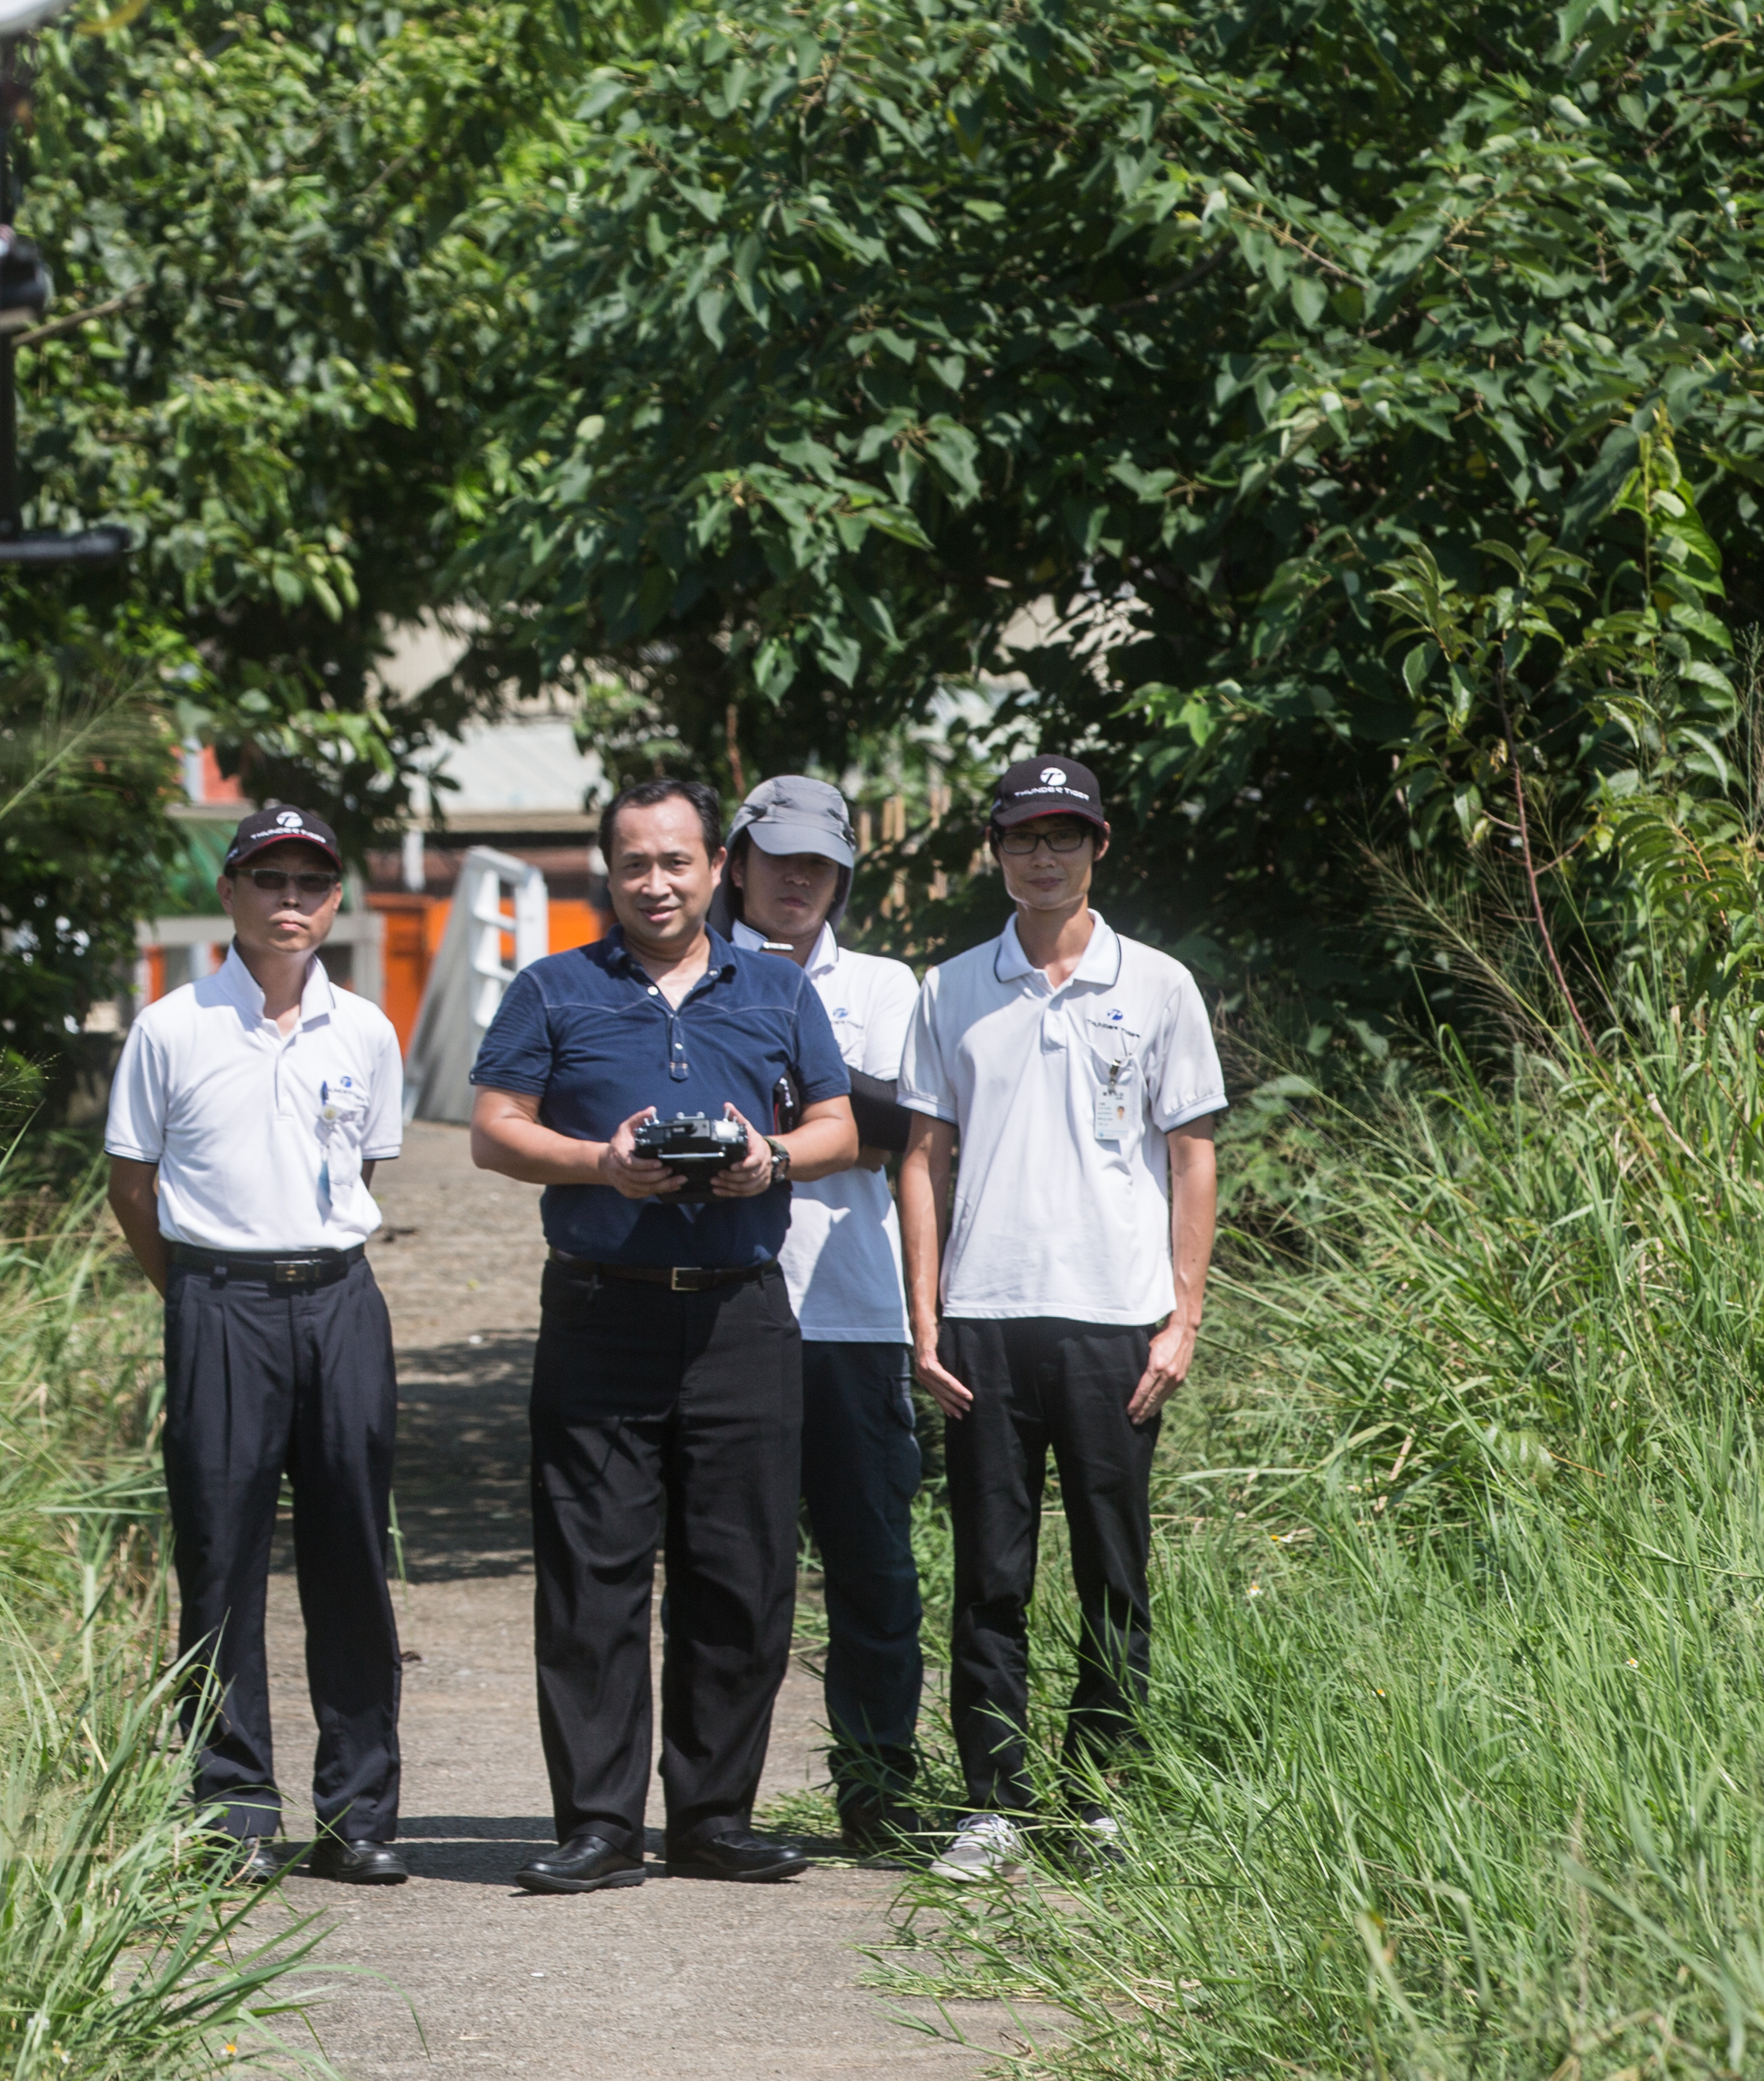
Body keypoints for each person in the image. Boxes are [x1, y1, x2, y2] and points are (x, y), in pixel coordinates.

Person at [467, 775, 858, 1894]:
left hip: (741, 1311)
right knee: (591, 1572)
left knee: (740, 1569)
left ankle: (713, 1819)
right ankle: (598, 1824)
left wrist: (768, 1159)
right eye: (634, 863)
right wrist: (601, 1163)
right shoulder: (553, 988)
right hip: (602, 1308)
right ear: (609, 872)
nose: (656, 883)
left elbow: (836, 1127)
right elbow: (495, 1129)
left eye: (677, 861)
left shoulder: (778, 988)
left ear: (717, 867)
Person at [894, 754, 1226, 1885]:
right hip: (984, 1320)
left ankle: (1095, 1799)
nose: (1045, 856)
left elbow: (1192, 1156)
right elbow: (922, 1157)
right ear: (995, 849)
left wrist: (1182, 1319)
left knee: (1112, 1573)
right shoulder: (951, 990)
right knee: (990, 1572)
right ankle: (991, 1806)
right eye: (1025, 836)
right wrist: (925, 1318)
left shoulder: (1159, 986)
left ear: (1099, 845)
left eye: (1065, 835)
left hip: (1115, 1320)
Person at [104, 802, 414, 1884]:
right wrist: (199, 1295)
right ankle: (232, 1811)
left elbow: (359, 1171)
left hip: (338, 1302)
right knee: (220, 1560)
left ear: (335, 901)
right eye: (269, 880)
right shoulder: (172, 1027)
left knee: (352, 1558)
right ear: (230, 892)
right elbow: (132, 1187)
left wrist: (296, 1270)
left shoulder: (365, 1030)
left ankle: (358, 1815)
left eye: (311, 883)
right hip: (219, 1304)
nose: (291, 901)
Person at [720, 775, 930, 1856]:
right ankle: (718, 1804)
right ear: (736, 865)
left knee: (874, 1569)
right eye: (778, 859)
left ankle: (878, 1787)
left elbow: (900, 1130)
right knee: (733, 1574)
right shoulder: (688, 972)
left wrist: (773, 1085)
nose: (798, 880)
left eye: (820, 864)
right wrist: (830, 1105)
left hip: (855, 1312)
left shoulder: (888, 984)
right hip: (726, 1311)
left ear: (844, 876)